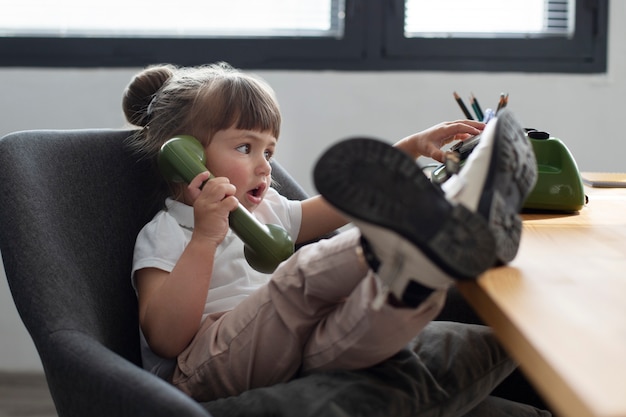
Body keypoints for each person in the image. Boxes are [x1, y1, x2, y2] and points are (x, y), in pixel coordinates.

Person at [123, 62, 548, 416]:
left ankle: (408, 283)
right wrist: (204, 239)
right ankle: (420, 231)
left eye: (269, 151)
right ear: (185, 155)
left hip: (292, 347)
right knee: (300, 280)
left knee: (353, 319)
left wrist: (411, 148)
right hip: (201, 368)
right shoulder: (165, 233)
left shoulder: (268, 208)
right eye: (244, 148)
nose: (264, 166)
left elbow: (344, 205)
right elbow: (165, 338)